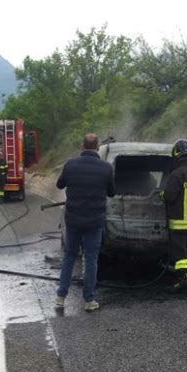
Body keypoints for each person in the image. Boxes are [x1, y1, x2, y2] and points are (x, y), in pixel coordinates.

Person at [55, 133, 116, 311]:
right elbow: (112, 192)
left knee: (69, 256)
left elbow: (60, 185)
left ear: (82, 147)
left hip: (73, 220)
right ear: (97, 147)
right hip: (94, 222)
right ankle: (89, 300)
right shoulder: (106, 168)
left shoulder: (70, 165)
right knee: (91, 259)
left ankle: (60, 296)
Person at [161, 138, 187, 289]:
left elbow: (169, 197)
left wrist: (161, 195)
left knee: (179, 255)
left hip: (179, 223)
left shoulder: (177, 174)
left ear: (177, 154)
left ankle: (181, 280)